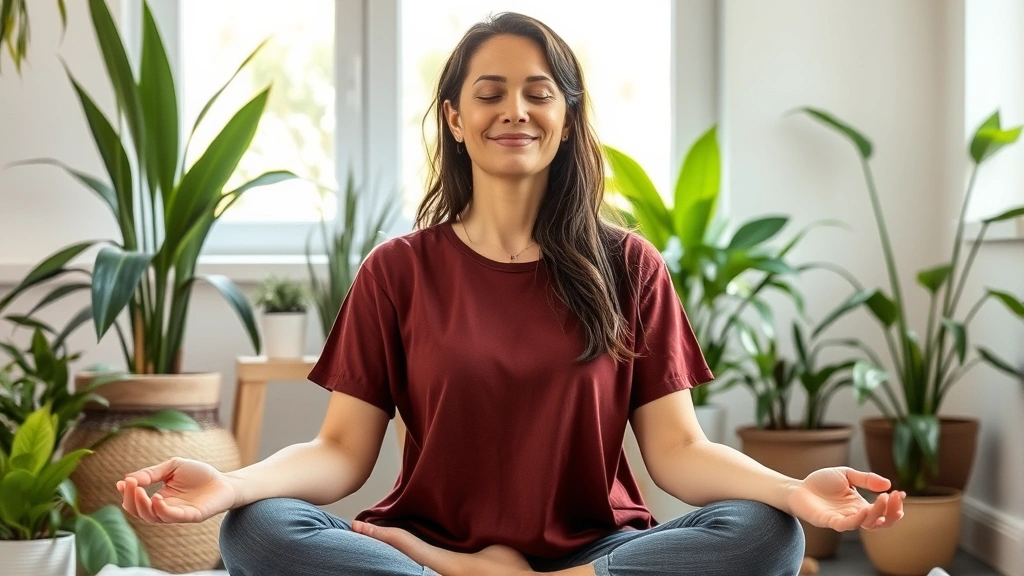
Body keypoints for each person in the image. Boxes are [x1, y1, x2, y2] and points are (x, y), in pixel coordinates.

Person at [115, 12, 905, 576]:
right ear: (455, 118)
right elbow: (340, 452)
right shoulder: (398, 270)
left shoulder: (629, 266)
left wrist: (794, 492)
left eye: (538, 92)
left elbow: (680, 453)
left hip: (597, 552)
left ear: (566, 118)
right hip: (419, 539)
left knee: (768, 536)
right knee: (257, 531)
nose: (514, 111)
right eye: (489, 93)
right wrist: (234, 486)